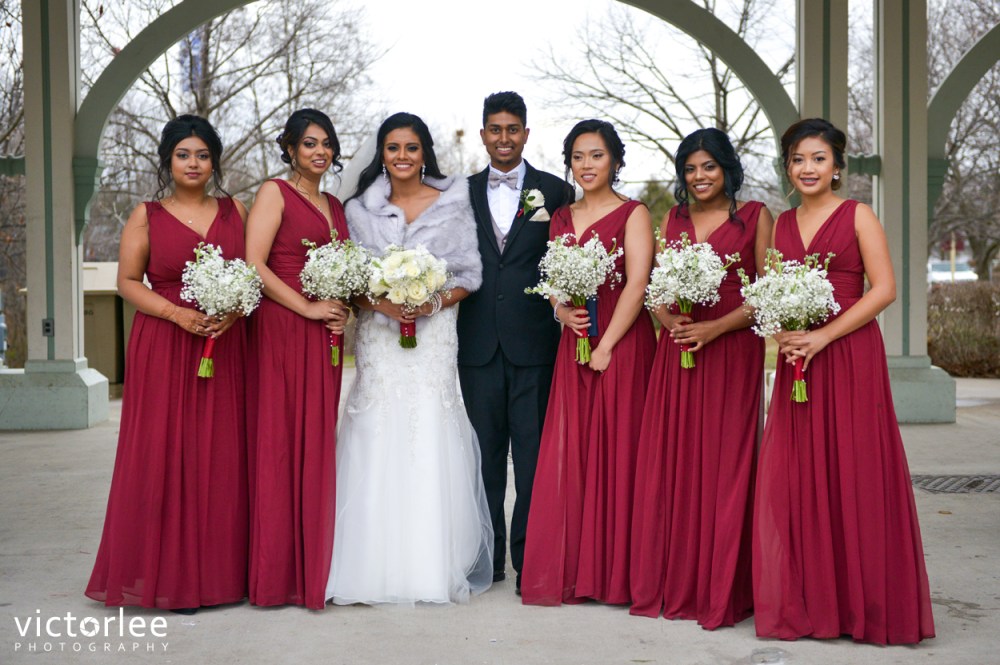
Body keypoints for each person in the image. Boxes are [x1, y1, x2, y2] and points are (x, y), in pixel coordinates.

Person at [752, 118, 935, 644]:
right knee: (798, 475)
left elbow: (884, 289)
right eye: (798, 159)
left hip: (849, 355)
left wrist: (823, 336)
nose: (807, 168)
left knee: (853, 468)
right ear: (787, 168)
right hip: (799, 362)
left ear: (837, 166)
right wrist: (787, 332)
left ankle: (864, 608)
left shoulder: (858, 214)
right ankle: (813, 604)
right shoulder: (782, 226)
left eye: (818, 158)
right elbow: (772, 291)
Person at [325, 112, 493, 605]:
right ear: (382, 153)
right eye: (393, 147)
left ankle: (429, 565)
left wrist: (430, 302)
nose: (402, 156)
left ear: (425, 154)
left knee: (429, 429)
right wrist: (384, 305)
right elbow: (350, 281)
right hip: (380, 339)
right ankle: (367, 565)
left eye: (411, 147)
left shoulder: (453, 203)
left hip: (434, 336)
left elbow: (469, 274)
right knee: (377, 427)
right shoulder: (358, 211)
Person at [86, 115, 249, 613]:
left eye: (202, 155)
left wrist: (235, 310)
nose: (193, 163)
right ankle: (169, 577)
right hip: (165, 341)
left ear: (214, 162)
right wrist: (178, 314)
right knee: (166, 453)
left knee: (222, 455)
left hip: (226, 343)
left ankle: (222, 576)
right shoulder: (147, 215)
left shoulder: (236, 211)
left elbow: (253, 273)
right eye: (183, 155)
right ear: (168, 161)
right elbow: (127, 281)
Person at [629, 128, 772, 628]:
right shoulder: (674, 218)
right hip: (681, 351)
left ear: (727, 168)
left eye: (708, 166)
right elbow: (657, 287)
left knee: (726, 462)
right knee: (680, 461)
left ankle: (722, 588)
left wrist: (717, 328)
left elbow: (766, 292)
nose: (699, 176)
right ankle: (679, 581)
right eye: (690, 169)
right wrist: (668, 319)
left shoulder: (756, 216)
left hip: (732, 350)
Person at [520, 119, 656, 606]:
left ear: (615, 160)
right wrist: (559, 309)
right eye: (578, 157)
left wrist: (606, 346)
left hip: (622, 344)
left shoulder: (634, 213)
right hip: (574, 344)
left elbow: (637, 284)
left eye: (596, 155)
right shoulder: (560, 217)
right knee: (573, 452)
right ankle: (577, 570)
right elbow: (553, 279)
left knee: (619, 451)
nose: (586, 165)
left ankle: (616, 575)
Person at [457, 91, 575, 591]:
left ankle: (532, 562)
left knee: (532, 460)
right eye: (495, 129)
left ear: (526, 133)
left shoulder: (557, 191)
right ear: (483, 133)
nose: (503, 138)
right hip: (477, 344)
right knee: (483, 459)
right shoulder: (459, 193)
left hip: (535, 343)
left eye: (512, 129)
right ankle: (488, 561)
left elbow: (569, 260)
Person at [245, 108, 350, 610]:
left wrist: (341, 309)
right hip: (284, 327)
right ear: (290, 148)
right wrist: (307, 307)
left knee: (316, 441)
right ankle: (276, 576)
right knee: (282, 442)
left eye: (326, 143)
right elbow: (254, 263)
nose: (320, 151)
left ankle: (313, 568)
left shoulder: (334, 204)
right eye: (309, 143)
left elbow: (343, 269)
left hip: (324, 335)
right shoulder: (275, 192)